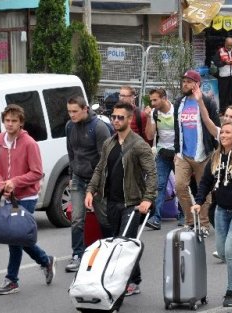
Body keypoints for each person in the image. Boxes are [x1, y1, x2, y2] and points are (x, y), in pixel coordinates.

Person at [84, 101, 157, 297]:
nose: (116, 120)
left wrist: (148, 199)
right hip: (111, 202)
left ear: (130, 119)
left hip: (132, 203)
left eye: (120, 117)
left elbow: (152, 173)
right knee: (117, 242)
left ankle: (133, 281)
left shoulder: (139, 145)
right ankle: (127, 277)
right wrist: (91, 190)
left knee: (126, 243)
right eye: (114, 117)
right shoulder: (109, 143)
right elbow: (100, 168)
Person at [191, 120, 232, 307]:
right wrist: (198, 202)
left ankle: (231, 291)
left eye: (228, 133)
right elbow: (205, 181)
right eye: (222, 133)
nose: (223, 136)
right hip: (222, 209)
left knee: (230, 251)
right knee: (222, 252)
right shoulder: (215, 157)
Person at [0, 104, 56, 295]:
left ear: (21, 123)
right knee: (17, 237)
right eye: (7, 121)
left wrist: (14, 182)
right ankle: (45, 261)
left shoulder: (29, 144)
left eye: (14, 121)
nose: (9, 124)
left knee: (15, 237)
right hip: (7, 196)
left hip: (26, 197)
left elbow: (37, 173)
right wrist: (2, 185)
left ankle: (12, 280)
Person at [64, 96, 112, 273]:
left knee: (103, 218)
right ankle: (77, 255)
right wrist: (71, 174)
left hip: (97, 180)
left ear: (85, 109)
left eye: (75, 111)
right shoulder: (69, 126)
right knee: (77, 218)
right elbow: (71, 152)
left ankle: (110, 251)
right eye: (69, 111)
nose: (72, 115)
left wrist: (99, 184)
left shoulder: (99, 128)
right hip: (78, 177)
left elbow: (105, 159)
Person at [173, 69, 221, 237]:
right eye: (183, 81)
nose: (184, 84)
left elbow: (215, 128)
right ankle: (190, 222)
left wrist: (216, 151)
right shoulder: (179, 102)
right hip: (183, 154)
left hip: (204, 153)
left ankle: (205, 224)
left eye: (188, 81)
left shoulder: (207, 101)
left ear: (197, 84)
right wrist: (176, 150)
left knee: (205, 191)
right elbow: (176, 128)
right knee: (179, 186)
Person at [143, 87, 184, 230]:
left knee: (180, 185)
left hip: (178, 153)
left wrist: (179, 153)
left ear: (164, 98)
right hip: (162, 153)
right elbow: (149, 136)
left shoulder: (177, 111)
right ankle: (156, 218)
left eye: (155, 99)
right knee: (159, 185)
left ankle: (183, 214)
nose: (153, 103)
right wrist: (149, 117)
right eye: (151, 100)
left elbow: (183, 132)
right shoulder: (154, 113)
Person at [213, 37, 232, 114]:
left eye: (230, 45)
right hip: (223, 76)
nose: (229, 47)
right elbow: (216, 62)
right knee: (223, 94)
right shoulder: (220, 51)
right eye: (228, 45)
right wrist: (224, 63)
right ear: (225, 43)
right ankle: (222, 110)